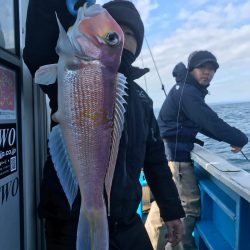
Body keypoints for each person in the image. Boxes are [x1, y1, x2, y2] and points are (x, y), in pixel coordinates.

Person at [23, 1, 185, 249]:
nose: (125, 38)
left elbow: (154, 160)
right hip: (68, 221)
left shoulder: (142, 100)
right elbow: (37, 47)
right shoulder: (69, 68)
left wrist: (171, 209)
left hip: (126, 224)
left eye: (130, 35)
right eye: (118, 30)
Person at [146, 50, 248, 250]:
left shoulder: (184, 89)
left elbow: (202, 124)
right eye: (202, 68)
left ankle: (149, 244)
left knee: (164, 206)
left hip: (167, 155)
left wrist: (228, 140)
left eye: (211, 69)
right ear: (191, 69)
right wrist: (240, 138)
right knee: (187, 209)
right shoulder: (188, 92)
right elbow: (210, 121)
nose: (207, 73)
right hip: (176, 158)